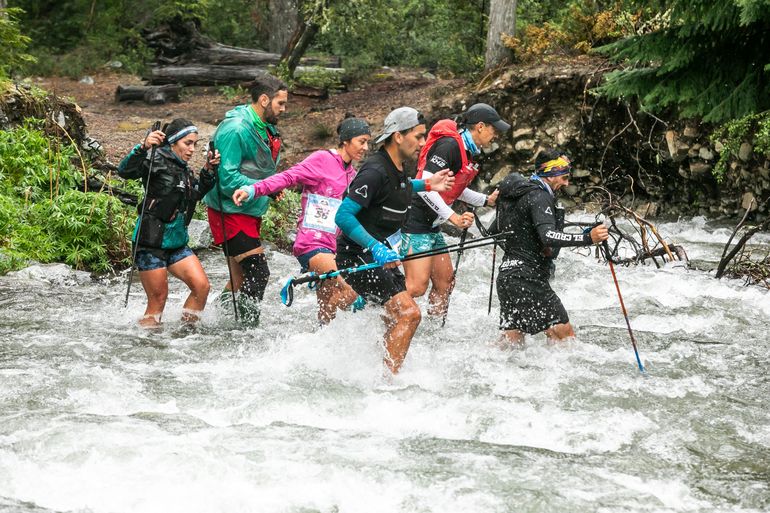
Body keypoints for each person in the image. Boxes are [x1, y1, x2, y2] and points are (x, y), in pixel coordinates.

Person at [334, 107, 455, 374]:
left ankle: (370, 369)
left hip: (381, 255)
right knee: (409, 314)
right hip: (359, 256)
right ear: (398, 136)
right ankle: (388, 381)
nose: (423, 143)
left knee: (393, 317)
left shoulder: (395, 167)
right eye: (418, 136)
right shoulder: (374, 170)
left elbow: (399, 187)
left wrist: (428, 184)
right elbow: (343, 216)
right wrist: (375, 247)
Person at [232, 114, 371, 323]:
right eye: (362, 141)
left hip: (334, 249)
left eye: (367, 142)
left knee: (327, 314)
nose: (366, 147)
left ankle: (322, 339)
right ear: (346, 140)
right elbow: (289, 176)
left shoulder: (352, 174)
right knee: (350, 290)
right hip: (312, 244)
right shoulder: (322, 159)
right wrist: (253, 190)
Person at [401, 103, 511, 317]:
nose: (496, 135)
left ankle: (433, 331)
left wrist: (486, 200)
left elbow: (454, 188)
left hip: (432, 225)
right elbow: (426, 186)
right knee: (416, 287)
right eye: (494, 129)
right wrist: (454, 218)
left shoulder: (467, 151)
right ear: (480, 126)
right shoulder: (450, 146)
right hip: (415, 221)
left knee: (445, 283)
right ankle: (384, 320)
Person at [491, 149, 609, 345]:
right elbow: (548, 236)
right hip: (527, 278)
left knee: (511, 344)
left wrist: (524, 246)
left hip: (507, 278)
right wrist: (588, 238)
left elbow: (493, 231)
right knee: (564, 336)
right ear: (551, 173)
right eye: (564, 177)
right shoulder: (540, 196)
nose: (566, 183)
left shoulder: (518, 194)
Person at [204, 75, 288, 326]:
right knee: (259, 272)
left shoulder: (264, 126)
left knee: (240, 278)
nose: (284, 109)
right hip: (229, 210)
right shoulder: (236, 128)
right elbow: (226, 177)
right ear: (264, 100)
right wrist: (265, 188)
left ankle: (212, 321)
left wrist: (269, 187)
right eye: (280, 103)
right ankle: (247, 331)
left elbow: (258, 168)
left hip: (248, 208)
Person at [118, 119, 219, 327]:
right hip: (150, 243)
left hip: (176, 243)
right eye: (187, 143)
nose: (192, 149)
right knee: (158, 300)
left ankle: (185, 334)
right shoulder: (155, 159)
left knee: (201, 287)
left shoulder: (184, 169)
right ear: (173, 142)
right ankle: (148, 341)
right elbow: (125, 171)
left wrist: (208, 171)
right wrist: (143, 147)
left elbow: (195, 194)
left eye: (195, 144)